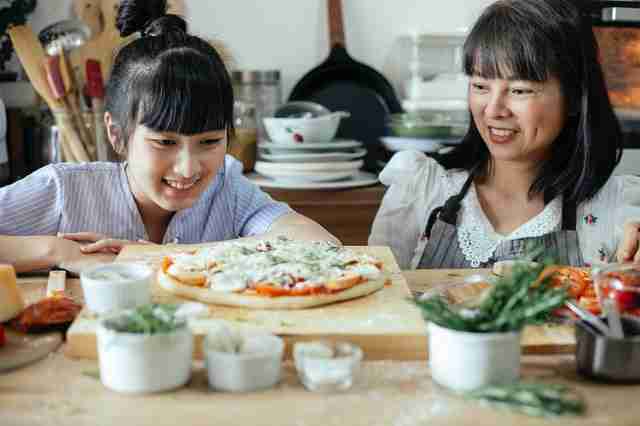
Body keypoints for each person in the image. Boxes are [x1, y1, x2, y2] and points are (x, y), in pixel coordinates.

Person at [0, 0, 336, 274]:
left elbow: (322, 245)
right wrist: (58, 250)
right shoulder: (66, 190)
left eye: (209, 142)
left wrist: (175, 256)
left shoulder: (227, 189)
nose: (188, 168)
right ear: (117, 134)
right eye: (165, 142)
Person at [370, 0, 640, 270]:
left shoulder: (615, 210)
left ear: (572, 100)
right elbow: (372, 294)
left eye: (519, 90)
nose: (493, 109)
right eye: (480, 85)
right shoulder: (422, 190)